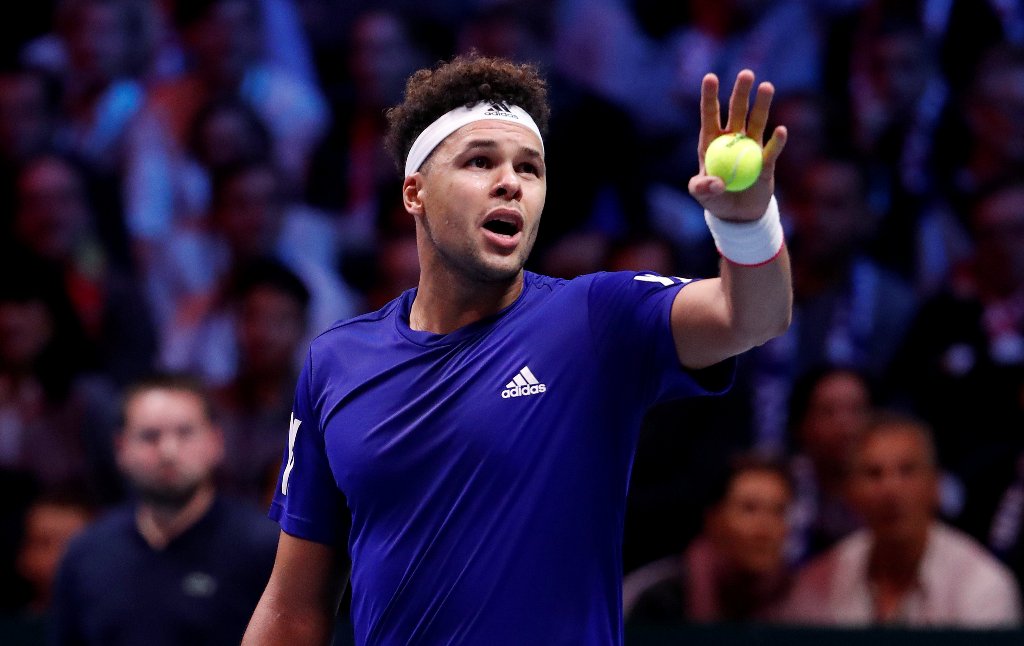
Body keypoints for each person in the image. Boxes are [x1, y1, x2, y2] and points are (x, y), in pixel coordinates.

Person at [243, 53, 792, 645]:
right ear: (414, 193)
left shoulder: (594, 318)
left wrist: (747, 223)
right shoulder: (335, 361)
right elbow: (294, 606)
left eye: (530, 168)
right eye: (480, 161)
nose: (510, 181)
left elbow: (752, 316)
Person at [50, 372, 279, 646]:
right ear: (121, 449)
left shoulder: (266, 549)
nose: (168, 450)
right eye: (150, 436)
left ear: (216, 442)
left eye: (185, 433)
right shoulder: (85, 554)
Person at [780, 411, 1022, 628]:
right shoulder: (820, 583)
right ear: (851, 492)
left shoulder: (982, 586)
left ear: (935, 486)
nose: (891, 490)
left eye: (907, 470)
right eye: (874, 473)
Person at [623, 453, 795, 625]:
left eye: (779, 511)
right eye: (749, 509)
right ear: (713, 520)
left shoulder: (802, 601)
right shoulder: (655, 600)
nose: (765, 530)